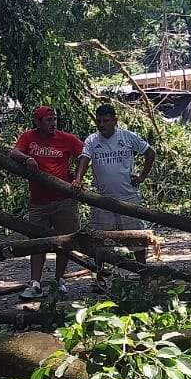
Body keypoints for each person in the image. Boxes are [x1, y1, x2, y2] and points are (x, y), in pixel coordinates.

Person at [9, 106, 86, 298]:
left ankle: (59, 280)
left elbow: (86, 154)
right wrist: (27, 159)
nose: (53, 123)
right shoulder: (28, 137)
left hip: (64, 200)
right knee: (37, 242)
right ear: (38, 122)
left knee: (65, 241)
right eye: (48, 120)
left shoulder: (66, 139)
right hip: (38, 202)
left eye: (54, 119)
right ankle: (35, 283)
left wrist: (77, 177)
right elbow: (14, 153)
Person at [77, 104, 156, 263]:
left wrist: (141, 177)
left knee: (136, 238)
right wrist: (78, 179)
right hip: (101, 199)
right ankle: (100, 279)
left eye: (105, 121)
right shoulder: (92, 140)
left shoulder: (127, 137)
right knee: (99, 240)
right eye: (98, 121)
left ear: (115, 121)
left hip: (128, 196)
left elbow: (150, 153)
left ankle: (143, 274)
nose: (101, 125)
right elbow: (84, 159)